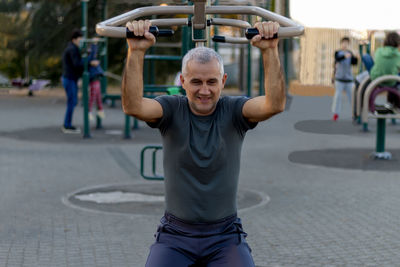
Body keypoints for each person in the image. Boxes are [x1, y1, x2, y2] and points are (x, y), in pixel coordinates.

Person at [123, 20, 285, 267]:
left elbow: (274, 105)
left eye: (211, 81)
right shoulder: (171, 109)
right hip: (175, 236)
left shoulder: (234, 110)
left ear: (223, 81)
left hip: (225, 236)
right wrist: (136, 50)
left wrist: (269, 50)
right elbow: (133, 106)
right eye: (196, 82)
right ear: (183, 81)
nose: (205, 90)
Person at [61, 29, 83, 133]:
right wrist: (89, 62)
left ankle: (67, 124)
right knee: (72, 102)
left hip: (70, 78)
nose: (81, 41)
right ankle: (67, 125)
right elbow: (77, 64)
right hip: (69, 79)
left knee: (72, 102)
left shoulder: (72, 48)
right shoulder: (73, 49)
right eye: (80, 39)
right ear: (74, 39)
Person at [370, 32, 400, 108]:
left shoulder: (379, 51)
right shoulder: (398, 55)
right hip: (390, 81)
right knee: (396, 81)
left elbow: (376, 62)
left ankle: (363, 105)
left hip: (375, 79)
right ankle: (393, 103)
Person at [332, 37, 358, 121]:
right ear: (341, 43)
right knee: (338, 97)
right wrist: (344, 56)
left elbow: (354, 63)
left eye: (347, 43)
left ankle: (355, 114)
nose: (345, 44)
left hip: (349, 80)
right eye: (344, 42)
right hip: (339, 79)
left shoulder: (350, 53)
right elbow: (337, 59)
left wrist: (357, 57)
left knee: (352, 97)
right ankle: (336, 114)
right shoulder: (337, 52)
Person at [88, 38, 105, 121]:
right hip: (93, 79)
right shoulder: (90, 58)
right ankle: (89, 112)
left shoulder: (93, 59)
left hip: (96, 79)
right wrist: (94, 44)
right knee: (93, 96)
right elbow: (93, 52)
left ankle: (100, 110)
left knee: (98, 97)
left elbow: (94, 53)